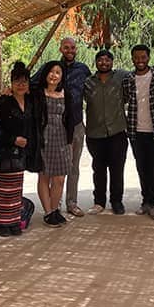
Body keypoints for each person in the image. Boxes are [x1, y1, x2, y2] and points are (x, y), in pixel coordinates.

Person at [31, 37, 91, 217]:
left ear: (76, 49)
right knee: (47, 170)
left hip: (75, 124)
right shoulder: (49, 68)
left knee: (71, 166)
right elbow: (31, 84)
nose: (70, 50)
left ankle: (71, 203)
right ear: (61, 49)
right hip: (49, 128)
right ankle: (50, 209)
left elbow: (94, 89)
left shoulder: (83, 70)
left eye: (73, 47)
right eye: (66, 47)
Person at [84, 49, 129, 215]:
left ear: (112, 62)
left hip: (117, 132)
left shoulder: (122, 76)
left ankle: (117, 202)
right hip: (95, 134)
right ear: (96, 63)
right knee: (99, 169)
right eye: (100, 60)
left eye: (107, 60)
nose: (104, 63)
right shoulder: (88, 82)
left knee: (117, 169)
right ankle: (99, 202)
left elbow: (142, 72)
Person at [0, 62, 37, 236]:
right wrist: (13, 140)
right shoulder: (3, 102)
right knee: (3, 189)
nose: (21, 84)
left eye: (24, 81)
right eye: (17, 81)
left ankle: (13, 221)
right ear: (11, 83)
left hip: (22, 152)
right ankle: (1, 223)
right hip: (5, 150)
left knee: (16, 188)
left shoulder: (31, 101)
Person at [124, 44, 154, 219]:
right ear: (132, 58)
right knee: (142, 168)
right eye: (136, 58)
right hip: (135, 131)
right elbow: (124, 99)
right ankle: (145, 201)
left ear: (149, 57)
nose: (140, 61)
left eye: (143, 57)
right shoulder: (128, 79)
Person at [36, 60, 74, 226]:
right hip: (42, 138)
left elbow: (71, 118)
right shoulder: (36, 92)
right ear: (45, 74)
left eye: (58, 72)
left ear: (62, 76)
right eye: (51, 71)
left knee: (59, 178)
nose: (54, 75)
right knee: (44, 175)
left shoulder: (67, 94)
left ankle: (54, 209)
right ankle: (49, 212)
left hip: (61, 138)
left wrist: (70, 139)